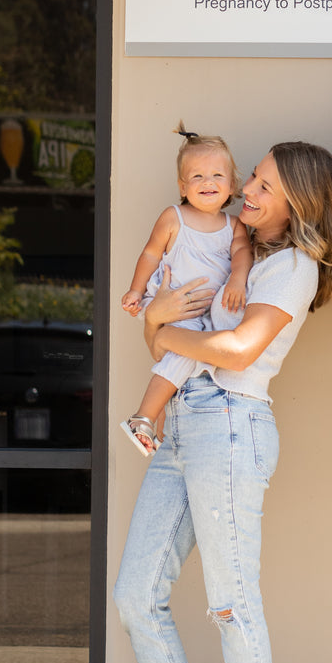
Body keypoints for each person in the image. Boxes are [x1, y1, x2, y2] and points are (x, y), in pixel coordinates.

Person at [114, 141, 332, 663]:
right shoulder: (228, 253)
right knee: (136, 595)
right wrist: (161, 325)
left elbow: (234, 350)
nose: (246, 188)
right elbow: (171, 351)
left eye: (264, 184)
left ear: (297, 203)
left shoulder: (295, 268)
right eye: (252, 176)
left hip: (231, 425)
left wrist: (161, 322)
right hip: (183, 424)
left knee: (230, 604)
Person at [119, 124, 253, 455]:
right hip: (171, 301)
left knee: (191, 360)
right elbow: (150, 253)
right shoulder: (173, 217)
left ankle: (159, 424)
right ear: (183, 186)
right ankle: (143, 416)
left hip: (200, 312)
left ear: (231, 185)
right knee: (183, 355)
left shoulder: (233, 226)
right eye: (197, 177)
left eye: (217, 176)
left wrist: (237, 279)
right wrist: (136, 290)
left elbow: (242, 255)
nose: (208, 183)